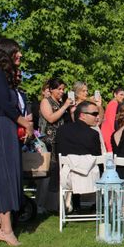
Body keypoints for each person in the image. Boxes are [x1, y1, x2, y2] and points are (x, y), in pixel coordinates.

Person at [0, 39, 33, 247]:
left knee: (11, 175)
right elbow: (4, 105)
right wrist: (25, 123)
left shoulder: (5, 77)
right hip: (1, 127)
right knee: (4, 176)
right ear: (7, 54)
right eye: (16, 53)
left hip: (9, 128)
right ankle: (7, 229)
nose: (20, 57)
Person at [37, 77, 73, 213]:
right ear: (51, 89)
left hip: (60, 141)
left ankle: (55, 204)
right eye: (59, 89)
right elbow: (51, 118)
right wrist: (64, 107)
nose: (62, 92)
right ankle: (41, 204)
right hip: (48, 142)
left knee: (58, 173)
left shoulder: (61, 103)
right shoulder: (46, 102)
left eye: (63, 89)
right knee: (46, 172)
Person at [101, 86, 124, 152]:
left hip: (106, 132)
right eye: (121, 94)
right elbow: (111, 122)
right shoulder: (114, 104)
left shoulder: (111, 103)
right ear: (115, 94)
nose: (123, 97)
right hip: (109, 133)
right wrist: (115, 135)